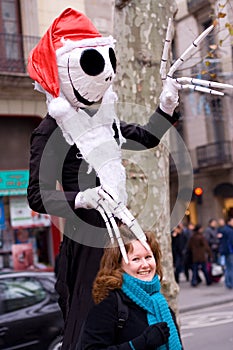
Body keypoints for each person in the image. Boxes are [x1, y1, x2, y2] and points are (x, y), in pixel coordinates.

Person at [27, 8, 180, 350]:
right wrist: (82, 197)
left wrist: (166, 106)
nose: (107, 73)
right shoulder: (49, 131)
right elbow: (36, 196)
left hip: (122, 229)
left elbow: (147, 138)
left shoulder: (105, 121)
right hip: (87, 242)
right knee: (94, 318)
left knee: (146, 298)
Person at [77, 226, 183, 350]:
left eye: (148, 257)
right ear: (118, 265)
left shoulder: (161, 306)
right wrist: (140, 343)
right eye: (136, 259)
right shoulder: (109, 305)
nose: (145, 265)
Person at [218, 217, 233, 289]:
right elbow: (231, 241)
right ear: (229, 221)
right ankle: (230, 283)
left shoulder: (223, 229)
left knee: (228, 267)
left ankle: (228, 283)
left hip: (225, 251)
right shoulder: (229, 230)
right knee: (230, 267)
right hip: (229, 251)